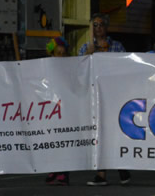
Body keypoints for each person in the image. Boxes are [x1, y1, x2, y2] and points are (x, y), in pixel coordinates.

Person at [81, 14, 131, 186]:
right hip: (95, 96)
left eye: (101, 25)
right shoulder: (86, 47)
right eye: (94, 25)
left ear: (106, 27)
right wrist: (89, 53)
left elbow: (126, 68)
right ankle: (101, 173)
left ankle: (121, 166)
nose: (98, 28)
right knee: (99, 133)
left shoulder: (117, 46)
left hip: (114, 95)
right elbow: (79, 67)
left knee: (115, 131)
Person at [44, 37, 70, 186]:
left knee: (63, 140)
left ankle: (63, 172)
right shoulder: (46, 66)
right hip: (50, 108)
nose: (60, 55)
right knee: (52, 139)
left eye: (63, 53)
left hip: (65, 108)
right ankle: (53, 169)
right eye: (58, 53)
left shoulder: (69, 66)